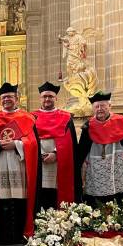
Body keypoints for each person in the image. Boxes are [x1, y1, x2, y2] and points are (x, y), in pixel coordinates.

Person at [0, 82, 40, 242]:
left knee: (18, 198)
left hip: (19, 165)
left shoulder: (28, 118)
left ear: (17, 98)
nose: (6, 100)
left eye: (9, 97)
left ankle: (18, 235)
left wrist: (17, 144)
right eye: (3, 97)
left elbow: (34, 143)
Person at [77, 91, 123, 205]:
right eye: (97, 106)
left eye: (103, 106)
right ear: (93, 109)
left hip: (116, 166)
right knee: (96, 202)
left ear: (109, 106)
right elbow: (82, 151)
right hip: (95, 170)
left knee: (119, 198)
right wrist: (83, 169)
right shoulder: (88, 126)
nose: (100, 109)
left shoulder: (122, 122)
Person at [31, 81, 80, 210]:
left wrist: (56, 154)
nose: (47, 99)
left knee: (56, 194)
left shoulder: (66, 117)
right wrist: (38, 155)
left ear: (56, 98)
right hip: (38, 163)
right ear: (40, 98)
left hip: (59, 163)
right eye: (44, 96)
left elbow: (71, 144)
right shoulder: (31, 117)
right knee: (39, 193)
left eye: (50, 96)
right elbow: (29, 141)